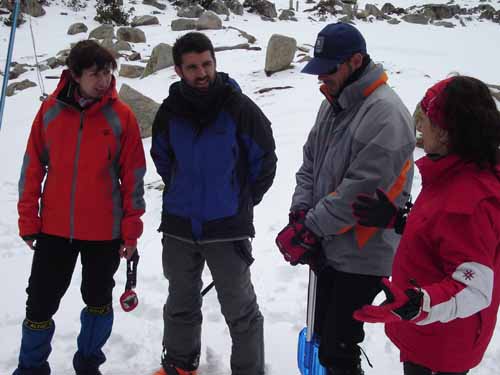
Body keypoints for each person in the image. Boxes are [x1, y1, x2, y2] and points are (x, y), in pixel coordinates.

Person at [275, 22, 416, 375]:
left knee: (339, 347)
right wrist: (300, 212)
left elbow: (361, 190)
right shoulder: (334, 101)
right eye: (318, 69)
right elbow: (310, 162)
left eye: (329, 69)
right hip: (328, 243)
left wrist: (311, 227)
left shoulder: (386, 114)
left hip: (364, 252)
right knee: (323, 338)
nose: (321, 78)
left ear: (355, 61)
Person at [14, 40, 146, 375]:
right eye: (95, 74)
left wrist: (131, 230)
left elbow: (133, 178)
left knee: (98, 301)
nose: (103, 81)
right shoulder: (51, 111)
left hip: (104, 231)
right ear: (75, 74)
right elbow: (32, 168)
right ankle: (31, 368)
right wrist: (29, 219)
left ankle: (88, 364)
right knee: (40, 303)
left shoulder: (122, 117)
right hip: (54, 229)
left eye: (107, 73)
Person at [353, 76, 500, 375]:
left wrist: (419, 303)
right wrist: (400, 221)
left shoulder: (469, 201)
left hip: (441, 345)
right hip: (428, 332)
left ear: (446, 134)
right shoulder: (453, 173)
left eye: (427, 119)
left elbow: (474, 287)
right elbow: (443, 238)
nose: (420, 127)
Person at [150, 32, 277, 375]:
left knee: (240, 309)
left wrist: (241, 199)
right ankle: (179, 364)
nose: (201, 72)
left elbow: (264, 160)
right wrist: (181, 188)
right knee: (180, 301)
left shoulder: (239, 108)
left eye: (206, 64)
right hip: (179, 225)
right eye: (192, 67)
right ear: (178, 70)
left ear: (215, 63)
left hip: (226, 228)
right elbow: (162, 156)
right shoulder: (170, 111)